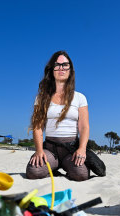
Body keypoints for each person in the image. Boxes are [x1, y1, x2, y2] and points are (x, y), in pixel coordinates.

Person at [26, 50, 90, 181]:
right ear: (52, 69)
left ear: (70, 70)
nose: (61, 68)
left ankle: (69, 168)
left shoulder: (80, 98)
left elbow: (84, 127)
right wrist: (39, 151)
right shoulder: (41, 98)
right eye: (57, 65)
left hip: (70, 150)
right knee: (33, 171)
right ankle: (53, 167)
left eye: (65, 65)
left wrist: (82, 149)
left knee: (81, 174)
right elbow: (38, 127)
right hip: (50, 149)